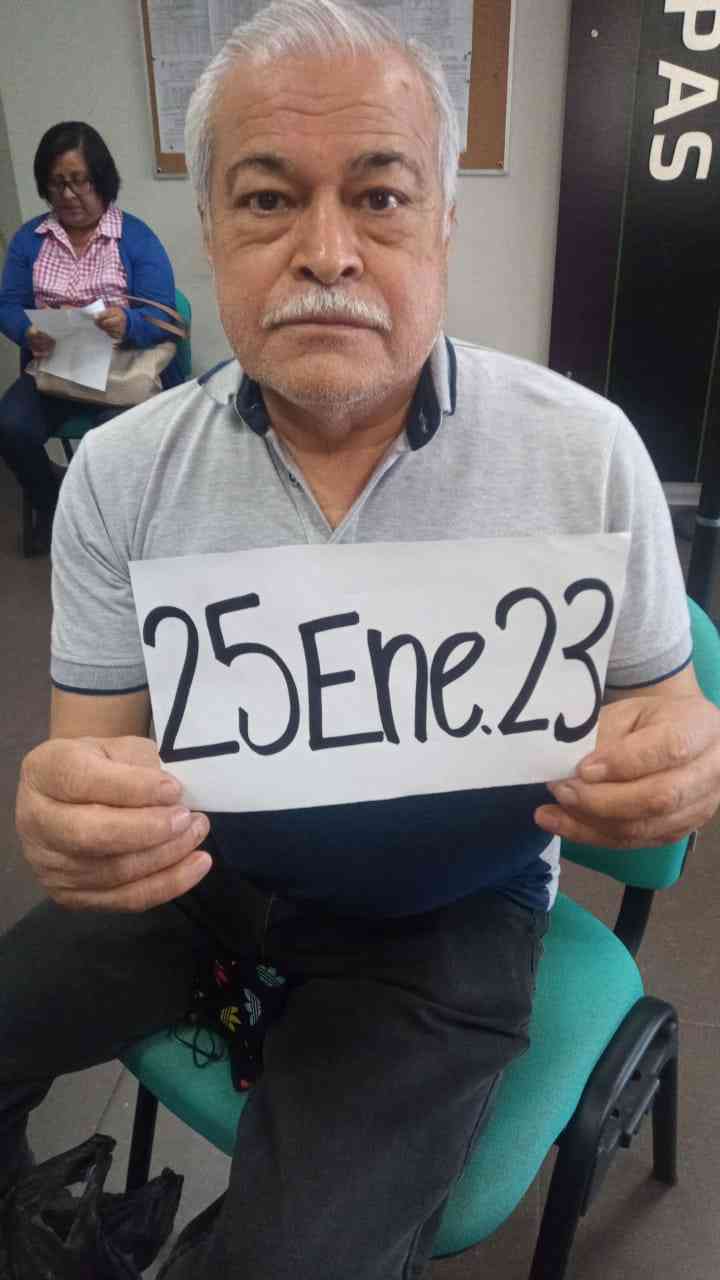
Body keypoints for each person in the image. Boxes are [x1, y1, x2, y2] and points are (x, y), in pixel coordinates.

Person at [3, 2, 720, 1276]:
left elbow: (665, 709)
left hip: (451, 909)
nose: (325, 251)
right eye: (268, 199)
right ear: (211, 227)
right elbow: (94, 754)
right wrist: (72, 815)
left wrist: (681, 755)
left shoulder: (585, 453)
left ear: (441, 225)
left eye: (381, 198)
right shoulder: (117, 474)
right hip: (207, 866)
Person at [0, 121, 181, 553]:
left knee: (106, 444)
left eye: (79, 181)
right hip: (55, 371)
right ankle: (54, 507)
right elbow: (7, 304)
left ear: (101, 179)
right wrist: (27, 330)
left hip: (120, 374)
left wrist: (128, 323)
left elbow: (163, 316)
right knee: (10, 427)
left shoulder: (135, 237)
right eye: (57, 183)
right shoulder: (30, 239)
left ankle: (108, 528)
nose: (68, 194)